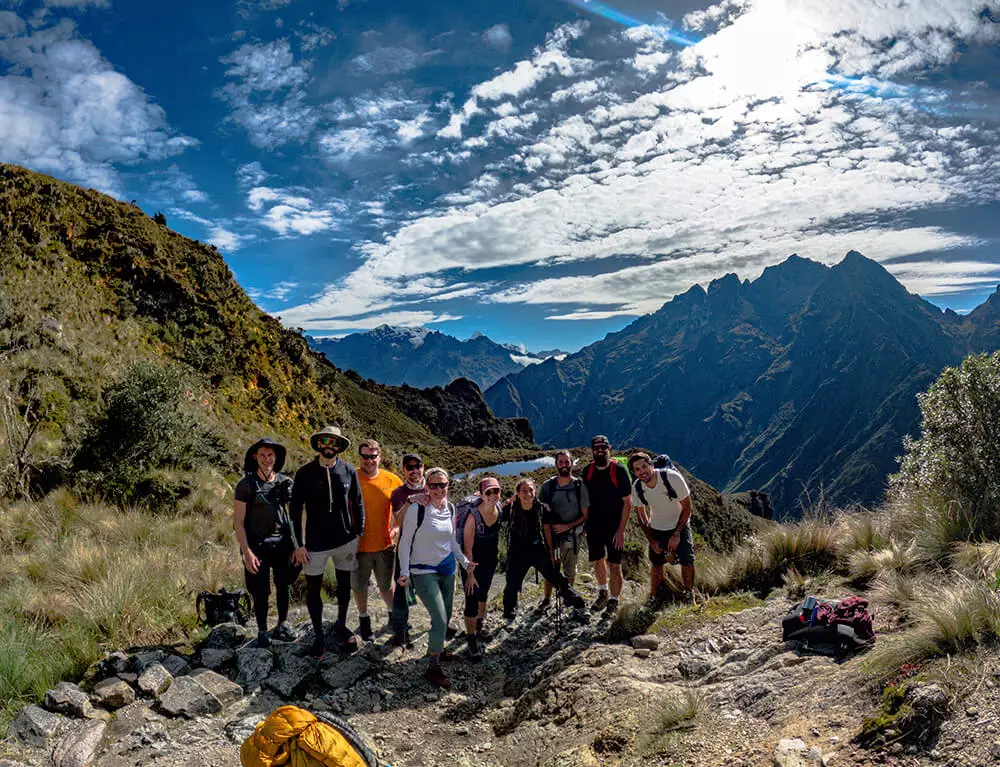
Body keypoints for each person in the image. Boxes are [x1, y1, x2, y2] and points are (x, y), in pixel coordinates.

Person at [290, 425, 365, 659]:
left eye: (334, 442)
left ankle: (341, 625)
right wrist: (298, 545)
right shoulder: (304, 473)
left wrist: (358, 533)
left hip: (345, 541)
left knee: (344, 586)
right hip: (314, 544)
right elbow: (293, 512)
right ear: (319, 444)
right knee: (314, 591)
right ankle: (319, 638)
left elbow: (358, 503)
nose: (329, 446)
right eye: (325, 441)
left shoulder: (348, 471)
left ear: (339, 446)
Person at [397, 468, 475, 689]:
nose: (439, 489)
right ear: (426, 487)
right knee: (439, 618)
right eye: (433, 485)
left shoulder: (449, 508)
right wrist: (404, 571)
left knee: (447, 614)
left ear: (448, 485)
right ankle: (433, 666)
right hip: (422, 571)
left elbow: (451, 541)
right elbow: (404, 542)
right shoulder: (417, 510)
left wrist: (464, 562)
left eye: (443, 485)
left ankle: (438, 648)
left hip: (447, 568)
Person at [233, 438, 300, 648]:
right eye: (262, 455)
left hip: (281, 543)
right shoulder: (246, 485)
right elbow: (238, 522)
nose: (266, 459)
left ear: (276, 457)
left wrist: (298, 546)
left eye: (270, 455)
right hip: (256, 545)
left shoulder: (285, 482)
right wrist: (246, 552)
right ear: (255, 456)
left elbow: (296, 516)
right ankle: (262, 630)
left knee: (283, 585)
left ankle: (283, 623)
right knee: (260, 589)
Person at [502, 478, 586, 619]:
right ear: (517, 493)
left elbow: (546, 530)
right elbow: (494, 515)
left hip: (537, 549)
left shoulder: (541, 508)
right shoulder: (510, 509)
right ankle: (509, 609)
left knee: (555, 577)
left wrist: (551, 551)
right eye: (523, 491)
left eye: (531, 490)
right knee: (512, 583)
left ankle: (576, 602)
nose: (528, 494)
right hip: (517, 552)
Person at [628, 451, 696, 602]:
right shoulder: (637, 487)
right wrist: (651, 540)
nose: (642, 472)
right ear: (634, 472)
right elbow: (640, 515)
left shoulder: (672, 478)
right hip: (657, 528)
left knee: (687, 560)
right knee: (657, 564)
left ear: (651, 465)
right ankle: (654, 597)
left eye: (644, 466)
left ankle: (690, 594)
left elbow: (687, 507)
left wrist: (677, 534)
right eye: (637, 469)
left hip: (679, 525)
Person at [352, 439, 402, 642]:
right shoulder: (351, 477)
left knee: (385, 585)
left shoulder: (392, 480)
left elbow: (402, 507)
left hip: (384, 545)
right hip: (358, 546)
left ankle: (393, 617)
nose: (369, 460)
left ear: (379, 457)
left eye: (373, 456)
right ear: (360, 457)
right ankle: (364, 621)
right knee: (359, 586)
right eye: (365, 456)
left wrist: (397, 526)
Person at [582, 435, 632, 614]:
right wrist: (586, 524)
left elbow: (628, 502)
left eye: (603, 447)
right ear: (592, 450)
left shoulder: (618, 470)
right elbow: (585, 500)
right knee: (598, 561)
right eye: (596, 448)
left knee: (615, 564)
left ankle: (614, 600)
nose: (600, 451)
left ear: (609, 448)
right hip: (594, 525)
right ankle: (603, 591)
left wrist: (621, 531)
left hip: (613, 526)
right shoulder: (587, 471)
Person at [459, 476, 505, 661]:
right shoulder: (473, 516)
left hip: (489, 561)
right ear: (482, 494)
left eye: (496, 491)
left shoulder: (499, 509)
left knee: (483, 594)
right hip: (472, 565)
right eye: (489, 492)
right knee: (472, 600)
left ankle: (478, 627)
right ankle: (471, 640)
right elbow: (467, 549)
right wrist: (470, 575)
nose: (493, 495)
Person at [538, 450, 589, 609]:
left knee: (570, 571)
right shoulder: (548, 486)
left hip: (572, 537)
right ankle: (547, 600)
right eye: (561, 462)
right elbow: (540, 511)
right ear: (556, 464)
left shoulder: (579, 486)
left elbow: (585, 515)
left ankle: (568, 597)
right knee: (552, 569)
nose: (564, 465)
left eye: (567, 462)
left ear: (572, 464)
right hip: (553, 538)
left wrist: (566, 526)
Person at [388, 453, 426, 647]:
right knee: (401, 592)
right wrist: (411, 501)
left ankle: (443, 622)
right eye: (409, 467)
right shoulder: (398, 494)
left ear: (423, 467)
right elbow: (399, 522)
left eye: (417, 466)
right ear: (404, 470)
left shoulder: (434, 487)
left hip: (430, 549)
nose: (414, 471)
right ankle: (400, 632)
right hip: (406, 549)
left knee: (436, 587)